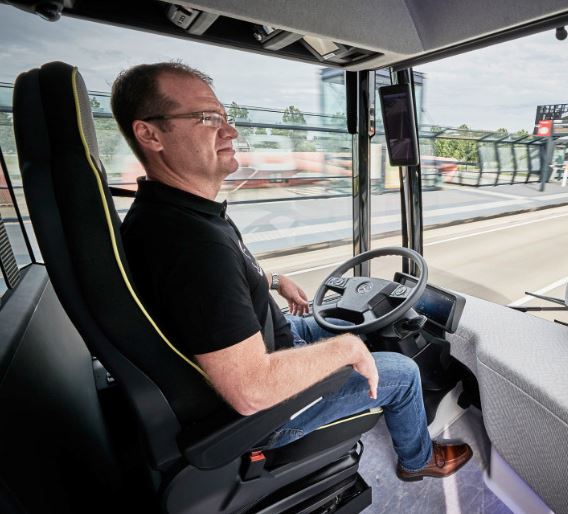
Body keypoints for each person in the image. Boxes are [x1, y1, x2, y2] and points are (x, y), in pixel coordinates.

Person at [112, 62, 471, 481]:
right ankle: (417, 461)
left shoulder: (173, 213)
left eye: (225, 117)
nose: (230, 131)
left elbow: (217, 288)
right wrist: (347, 351)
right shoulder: (191, 245)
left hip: (269, 338)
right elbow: (251, 391)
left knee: (343, 324)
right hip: (268, 414)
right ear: (150, 134)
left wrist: (274, 281)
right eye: (207, 118)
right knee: (402, 372)